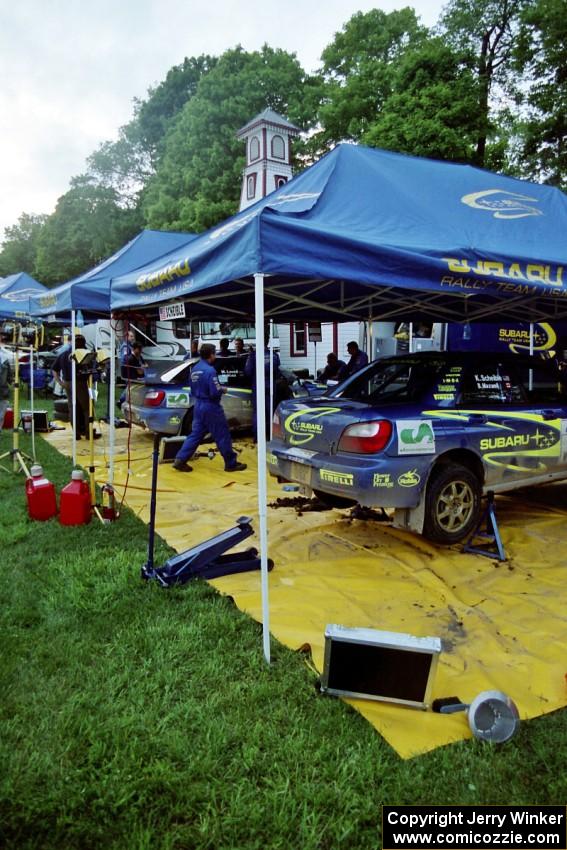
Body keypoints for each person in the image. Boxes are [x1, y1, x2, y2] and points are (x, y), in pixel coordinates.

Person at [173, 344, 247, 473]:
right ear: (211, 354)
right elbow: (214, 392)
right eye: (214, 354)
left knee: (195, 435)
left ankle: (180, 459)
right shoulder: (210, 371)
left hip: (198, 405)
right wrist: (222, 389)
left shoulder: (195, 369)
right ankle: (231, 463)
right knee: (222, 434)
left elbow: (192, 388)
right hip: (211, 407)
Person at [52, 334, 99, 439]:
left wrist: (60, 383)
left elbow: (54, 369)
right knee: (87, 409)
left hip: (68, 383)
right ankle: (88, 432)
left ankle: (76, 434)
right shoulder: (83, 354)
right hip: (80, 383)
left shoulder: (64, 354)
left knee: (73, 408)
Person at [244, 333, 281, 440]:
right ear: (267, 341)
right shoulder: (273, 355)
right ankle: (271, 435)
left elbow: (247, 372)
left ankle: (258, 437)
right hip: (271, 387)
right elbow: (278, 372)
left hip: (258, 387)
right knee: (271, 411)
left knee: (258, 412)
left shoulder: (253, 355)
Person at [0, 349, 12, 428]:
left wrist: (11, 381)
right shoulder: (5, 359)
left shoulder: (5, 359)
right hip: (3, 390)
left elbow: (9, 376)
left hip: (3, 390)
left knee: (1, 415)